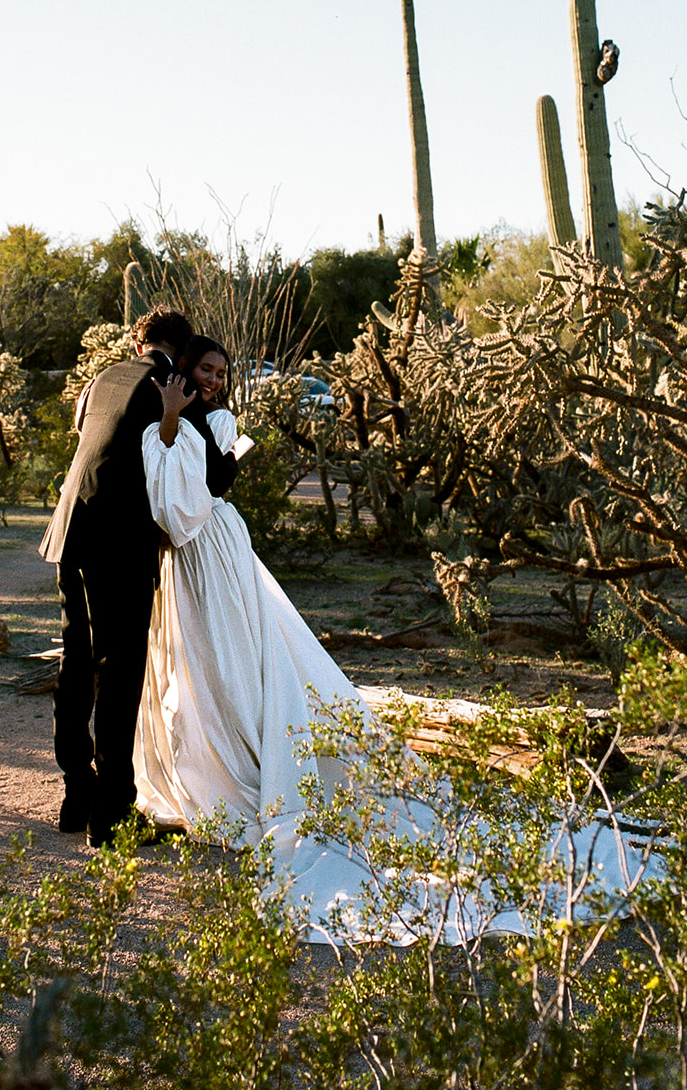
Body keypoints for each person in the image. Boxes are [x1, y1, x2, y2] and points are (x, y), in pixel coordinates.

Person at [133, 337, 654, 944]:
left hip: (214, 548)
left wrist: (178, 424)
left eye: (222, 371)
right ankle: (211, 763)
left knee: (233, 659)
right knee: (199, 665)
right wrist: (171, 422)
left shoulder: (210, 422)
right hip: (186, 560)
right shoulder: (166, 425)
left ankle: (244, 764)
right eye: (207, 369)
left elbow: (197, 496)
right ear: (185, 368)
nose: (217, 380)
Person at [40, 307, 237, 848]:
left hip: (70, 530)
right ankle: (114, 812)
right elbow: (216, 478)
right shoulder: (167, 383)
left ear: (140, 341)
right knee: (121, 672)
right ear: (180, 350)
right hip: (118, 545)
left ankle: (77, 795)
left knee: (76, 663)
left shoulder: (104, 377)